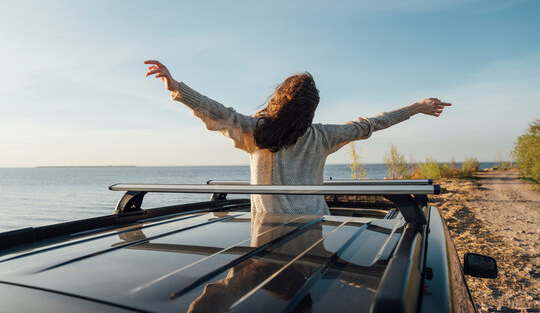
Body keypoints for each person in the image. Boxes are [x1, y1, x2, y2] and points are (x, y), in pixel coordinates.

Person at [144, 60, 451, 215]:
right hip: (314, 230)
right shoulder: (322, 136)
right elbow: (369, 124)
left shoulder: (256, 132)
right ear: (311, 110)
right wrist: (415, 108)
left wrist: (178, 89)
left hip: (266, 236)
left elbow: (219, 113)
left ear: (278, 99)